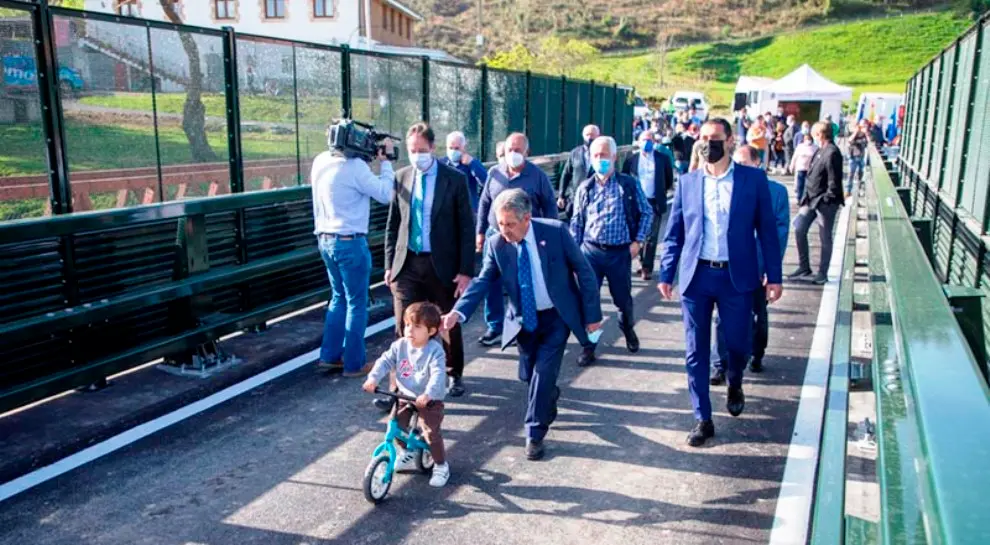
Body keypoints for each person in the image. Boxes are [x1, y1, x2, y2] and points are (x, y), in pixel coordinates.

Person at [442, 189, 602, 460]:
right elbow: (482, 281)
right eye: (500, 224)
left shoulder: (556, 233)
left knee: (543, 371)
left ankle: (534, 434)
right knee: (530, 377)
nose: (504, 230)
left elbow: (584, 272)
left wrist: (592, 315)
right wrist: (458, 312)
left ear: (527, 218)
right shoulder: (497, 244)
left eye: (510, 224)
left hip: (556, 317)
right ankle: (547, 396)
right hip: (523, 319)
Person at [658, 118, 783, 447]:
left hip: (737, 277)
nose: (708, 144)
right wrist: (667, 273)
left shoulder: (752, 180)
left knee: (738, 344)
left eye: (715, 138)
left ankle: (735, 380)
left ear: (729, 141)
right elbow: (675, 233)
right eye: (703, 138)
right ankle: (703, 417)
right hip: (697, 276)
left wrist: (775, 276)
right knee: (695, 351)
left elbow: (767, 232)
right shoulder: (688, 183)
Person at [384, 121, 475, 404]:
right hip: (407, 263)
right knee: (404, 325)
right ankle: (400, 385)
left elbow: (466, 227)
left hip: (442, 265)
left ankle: (453, 373)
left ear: (432, 149)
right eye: (412, 150)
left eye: (422, 150)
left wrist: (465, 271)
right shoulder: (401, 177)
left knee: (446, 321)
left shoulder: (454, 179)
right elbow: (393, 224)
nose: (417, 155)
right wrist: (389, 265)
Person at [312, 122, 395, 376]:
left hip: (325, 239)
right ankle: (354, 363)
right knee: (357, 302)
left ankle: (329, 355)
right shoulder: (355, 167)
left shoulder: (320, 161)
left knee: (338, 298)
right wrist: (387, 161)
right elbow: (386, 194)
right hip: (350, 241)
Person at [571, 135, 654, 362]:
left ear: (614, 157)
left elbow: (647, 212)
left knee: (622, 299)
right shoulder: (585, 188)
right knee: (589, 299)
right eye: (596, 155)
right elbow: (576, 223)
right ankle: (589, 345)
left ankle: (627, 328)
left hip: (619, 252)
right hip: (590, 252)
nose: (600, 160)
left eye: (604, 155)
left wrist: (638, 241)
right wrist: (573, 257)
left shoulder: (628, 184)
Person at [710, 145, 789, 383]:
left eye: (744, 163)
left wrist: (770, 271)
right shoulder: (729, 188)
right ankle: (719, 364)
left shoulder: (776, 192)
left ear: (757, 164)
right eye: (737, 163)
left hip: (758, 266)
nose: (739, 168)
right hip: (731, 266)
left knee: (757, 315)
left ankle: (757, 352)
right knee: (722, 317)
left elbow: (778, 234)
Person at [475, 133, 559, 349]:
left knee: (523, 281)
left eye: (518, 150)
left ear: (526, 152)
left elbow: (550, 205)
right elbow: (485, 203)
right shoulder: (495, 173)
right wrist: (481, 232)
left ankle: (525, 323)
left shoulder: (537, 176)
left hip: (525, 237)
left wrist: (549, 236)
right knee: (490, 281)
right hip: (497, 237)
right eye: (510, 149)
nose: (513, 154)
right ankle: (495, 325)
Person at [363, 302, 450, 487]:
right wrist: (373, 379)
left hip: (429, 399)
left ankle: (441, 465)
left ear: (432, 331)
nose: (410, 330)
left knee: (431, 433)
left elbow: (437, 375)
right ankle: (406, 451)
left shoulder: (435, 351)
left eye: (417, 326)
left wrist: (428, 394)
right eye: (407, 324)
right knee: (396, 425)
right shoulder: (399, 345)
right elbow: (384, 361)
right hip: (406, 394)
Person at [789, 121, 844, 285]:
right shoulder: (821, 150)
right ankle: (804, 266)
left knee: (825, 237)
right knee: (799, 228)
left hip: (824, 202)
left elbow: (834, 181)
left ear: (820, 134)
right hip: (811, 199)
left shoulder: (832, 152)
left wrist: (826, 199)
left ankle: (823, 272)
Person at [623, 130, 675, 280]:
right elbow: (625, 178)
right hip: (636, 203)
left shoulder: (662, 159)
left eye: (649, 139)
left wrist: (661, 193)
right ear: (638, 142)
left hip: (653, 202)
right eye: (644, 140)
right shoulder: (631, 160)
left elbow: (668, 178)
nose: (647, 142)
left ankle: (647, 267)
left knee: (652, 236)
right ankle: (640, 261)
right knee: (637, 234)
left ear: (654, 142)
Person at [557, 125, 600, 223]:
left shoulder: (602, 154)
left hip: (595, 196)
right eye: (587, 134)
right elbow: (566, 174)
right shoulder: (575, 153)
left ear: (598, 136)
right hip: (576, 196)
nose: (590, 137)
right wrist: (561, 195)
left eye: (592, 135)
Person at [441, 131, 489, 213]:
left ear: (464, 147)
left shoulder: (472, 163)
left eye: (457, 148)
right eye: (450, 148)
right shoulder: (441, 164)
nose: (453, 151)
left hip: (469, 211)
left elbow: (486, 182)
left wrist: (472, 163)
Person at [790, 132, 817, 203]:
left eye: (809, 139)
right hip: (801, 168)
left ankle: (807, 198)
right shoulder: (800, 147)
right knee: (800, 185)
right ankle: (799, 199)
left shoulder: (815, 147)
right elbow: (795, 157)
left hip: (810, 169)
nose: (808, 140)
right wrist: (791, 166)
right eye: (806, 139)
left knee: (808, 185)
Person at [848, 121, 869, 196]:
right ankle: (848, 191)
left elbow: (870, 142)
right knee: (851, 174)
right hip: (853, 156)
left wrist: (866, 133)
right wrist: (856, 132)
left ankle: (859, 190)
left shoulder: (865, 134)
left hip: (861, 156)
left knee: (861, 174)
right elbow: (850, 140)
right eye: (862, 125)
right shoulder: (854, 132)